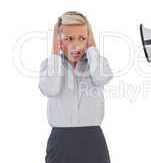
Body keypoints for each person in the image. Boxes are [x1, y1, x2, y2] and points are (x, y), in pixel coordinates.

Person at [39, 11, 113, 163]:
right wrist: (54, 51)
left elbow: (102, 78)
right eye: (69, 39)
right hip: (60, 141)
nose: (76, 45)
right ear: (59, 40)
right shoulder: (50, 65)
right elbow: (50, 89)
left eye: (82, 38)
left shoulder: (97, 63)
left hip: (93, 141)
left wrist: (92, 47)